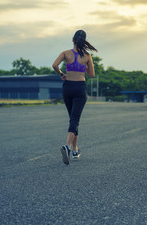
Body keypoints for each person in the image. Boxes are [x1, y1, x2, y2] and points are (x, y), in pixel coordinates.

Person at [52, 30, 97, 165]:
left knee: (73, 118)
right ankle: (67, 146)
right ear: (84, 42)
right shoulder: (87, 56)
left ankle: (75, 149)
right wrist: (84, 66)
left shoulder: (65, 53)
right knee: (75, 118)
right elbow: (92, 75)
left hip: (67, 87)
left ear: (73, 40)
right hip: (80, 88)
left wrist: (61, 73)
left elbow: (54, 65)